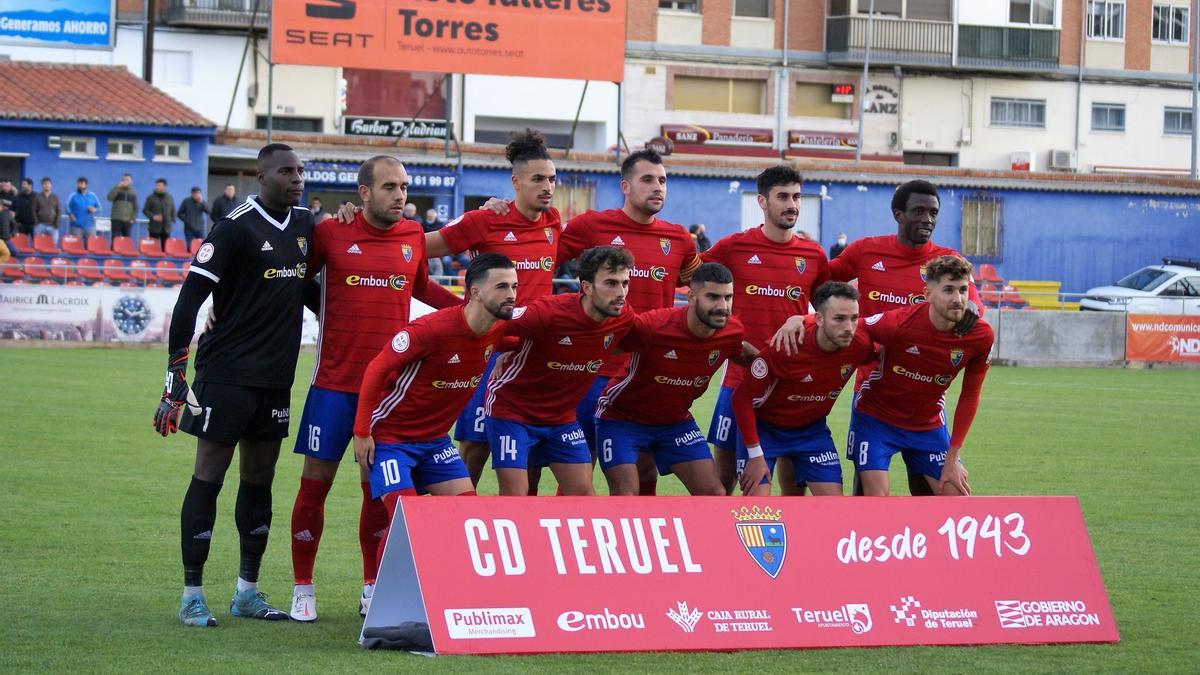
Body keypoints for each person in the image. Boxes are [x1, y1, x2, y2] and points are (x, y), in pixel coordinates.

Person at [287, 155, 461, 623]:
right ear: (363, 193)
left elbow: (423, 288)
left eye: (404, 186)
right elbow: (294, 282)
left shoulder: (411, 238)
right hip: (332, 387)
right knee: (313, 487)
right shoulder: (329, 233)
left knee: (374, 492)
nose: (400, 195)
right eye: (389, 187)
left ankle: (372, 585)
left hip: (386, 394)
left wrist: (475, 310)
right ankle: (303, 585)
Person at [152, 143, 314, 628]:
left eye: (300, 171)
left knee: (259, 481)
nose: (297, 179)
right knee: (209, 476)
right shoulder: (234, 225)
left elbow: (316, 291)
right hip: (225, 375)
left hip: (275, 379)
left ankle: (246, 591)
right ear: (261, 178)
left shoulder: (307, 226)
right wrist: (174, 376)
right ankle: (191, 594)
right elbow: (188, 302)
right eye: (286, 171)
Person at [482, 148, 702, 495]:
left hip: (643, 374)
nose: (657, 187)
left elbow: (705, 287)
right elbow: (533, 255)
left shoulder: (679, 240)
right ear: (625, 186)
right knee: (552, 467)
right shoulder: (591, 226)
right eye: (647, 180)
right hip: (588, 371)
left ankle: (637, 541)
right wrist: (499, 215)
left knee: (642, 465)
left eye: (662, 180)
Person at [773, 179, 983, 496]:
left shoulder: (944, 264)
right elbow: (822, 286)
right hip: (872, 387)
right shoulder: (866, 251)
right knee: (868, 488)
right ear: (898, 214)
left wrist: (972, 311)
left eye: (933, 212)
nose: (927, 219)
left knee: (929, 489)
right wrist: (806, 317)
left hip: (922, 395)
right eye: (919, 211)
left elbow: (972, 308)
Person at [352, 253, 517, 572]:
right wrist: (362, 432)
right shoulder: (430, 330)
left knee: (467, 516)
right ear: (475, 292)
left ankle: (446, 591)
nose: (511, 294)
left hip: (435, 442)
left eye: (513, 286)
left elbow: (534, 336)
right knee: (405, 517)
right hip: (390, 438)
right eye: (501, 286)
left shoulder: (498, 331)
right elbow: (376, 369)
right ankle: (379, 596)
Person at [430, 130, 562, 486]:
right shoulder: (484, 220)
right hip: (487, 351)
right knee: (474, 446)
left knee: (529, 452)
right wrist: (456, 309)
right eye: (537, 179)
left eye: (551, 178)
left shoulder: (554, 223)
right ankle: (454, 524)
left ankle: (521, 530)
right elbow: (414, 249)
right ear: (515, 182)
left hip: (536, 353)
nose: (547, 186)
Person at [700, 166, 830, 495]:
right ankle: (718, 538)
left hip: (787, 381)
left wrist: (806, 320)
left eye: (797, 197)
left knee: (792, 477)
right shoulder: (734, 247)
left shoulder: (813, 254)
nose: (792, 204)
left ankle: (795, 538)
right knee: (726, 473)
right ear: (762, 201)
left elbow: (830, 312)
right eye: (783, 196)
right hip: (739, 379)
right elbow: (693, 279)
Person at [486, 246, 635, 496]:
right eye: (611, 283)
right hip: (511, 411)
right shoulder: (549, 312)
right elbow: (492, 327)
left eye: (625, 283)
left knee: (584, 497)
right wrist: (512, 347)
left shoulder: (623, 317)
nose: (621, 292)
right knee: (516, 496)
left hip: (561, 418)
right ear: (586, 287)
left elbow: (631, 344)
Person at [596, 262, 751, 496]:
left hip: (675, 423)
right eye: (713, 297)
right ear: (691, 297)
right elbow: (601, 345)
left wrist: (781, 368)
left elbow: (746, 355)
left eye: (728, 297)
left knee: (715, 495)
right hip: (621, 418)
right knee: (626, 497)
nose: (723, 306)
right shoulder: (654, 326)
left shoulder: (731, 332)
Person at [849, 255, 994, 497]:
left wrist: (953, 456)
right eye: (948, 290)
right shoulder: (899, 322)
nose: (957, 299)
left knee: (959, 498)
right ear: (928, 294)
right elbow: (850, 327)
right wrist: (801, 320)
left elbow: (971, 394)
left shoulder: (981, 336)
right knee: (875, 501)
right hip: (877, 418)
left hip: (927, 424)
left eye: (962, 290)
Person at [732, 281, 876, 497]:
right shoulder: (786, 345)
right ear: (819, 318)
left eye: (854, 318)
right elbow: (741, 400)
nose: (848, 327)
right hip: (766, 430)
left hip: (812, 431)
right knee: (756, 508)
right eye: (839, 319)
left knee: (834, 507)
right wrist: (754, 454)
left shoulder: (860, 344)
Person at [143, 178, 176, 250]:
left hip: (166, 228)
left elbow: (173, 210)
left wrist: (173, 219)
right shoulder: (151, 198)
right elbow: (145, 210)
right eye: (157, 185)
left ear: (164, 186)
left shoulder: (169, 198)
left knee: (165, 248)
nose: (157, 187)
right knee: (152, 248)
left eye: (159, 185)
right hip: (154, 227)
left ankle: (164, 261)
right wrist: (153, 216)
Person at [66, 177, 101, 244]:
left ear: (86, 185)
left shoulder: (92, 195)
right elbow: (67, 206)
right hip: (76, 226)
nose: (80, 185)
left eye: (82, 183)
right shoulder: (73, 195)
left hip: (90, 226)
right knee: (75, 247)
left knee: (91, 247)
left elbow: (99, 207)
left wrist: (95, 209)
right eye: (78, 184)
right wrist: (70, 214)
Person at [107, 174, 138, 238]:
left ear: (131, 181)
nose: (125, 181)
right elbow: (109, 197)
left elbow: (135, 207)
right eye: (124, 180)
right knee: (115, 239)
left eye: (127, 180)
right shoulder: (117, 189)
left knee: (127, 240)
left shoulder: (133, 192)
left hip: (127, 221)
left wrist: (133, 218)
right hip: (116, 219)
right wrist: (118, 187)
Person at [33, 177, 61, 244]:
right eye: (45, 184)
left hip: (52, 226)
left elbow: (58, 211)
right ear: (42, 185)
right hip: (40, 225)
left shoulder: (55, 197)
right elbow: (33, 210)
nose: (47, 185)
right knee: (38, 244)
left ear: (51, 185)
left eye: (48, 184)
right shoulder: (37, 196)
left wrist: (56, 224)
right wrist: (36, 222)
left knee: (53, 245)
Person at [420, 208, 446, 277]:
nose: (430, 217)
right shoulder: (422, 224)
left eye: (431, 216)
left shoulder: (440, 225)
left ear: (435, 216)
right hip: (423, 249)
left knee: (446, 261)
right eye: (429, 216)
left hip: (436, 249)